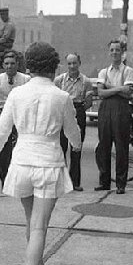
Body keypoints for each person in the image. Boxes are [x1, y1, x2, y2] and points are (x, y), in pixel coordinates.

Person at [0, 42, 81, 265]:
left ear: (29, 65)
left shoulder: (16, 94)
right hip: (48, 163)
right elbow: (73, 134)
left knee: (30, 220)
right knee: (39, 226)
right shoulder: (61, 97)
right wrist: (77, 145)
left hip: (22, 161)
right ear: (54, 65)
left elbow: (1, 132)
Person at [94, 39, 133, 194]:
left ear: (122, 52)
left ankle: (120, 184)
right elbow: (100, 93)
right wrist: (120, 88)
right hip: (106, 110)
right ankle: (104, 182)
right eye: (112, 50)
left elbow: (128, 93)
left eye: (117, 50)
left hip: (122, 109)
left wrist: (110, 87)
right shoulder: (103, 72)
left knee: (121, 146)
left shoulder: (128, 71)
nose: (114, 53)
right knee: (104, 146)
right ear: (108, 52)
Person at [0, 51, 31, 184]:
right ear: (3, 65)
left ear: (17, 64)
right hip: (3, 115)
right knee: (4, 149)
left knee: (21, 147)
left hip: (20, 116)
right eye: (6, 64)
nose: (9, 66)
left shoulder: (26, 79)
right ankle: (5, 181)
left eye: (12, 63)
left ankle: (20, 180)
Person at [53, 53, 93, 191]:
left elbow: (88, 102)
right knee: (61, 148)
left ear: (79, 63)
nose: (72, 66)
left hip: (78, 111)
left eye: (74, 63)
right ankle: (62, 182)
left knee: (76, 148)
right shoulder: (59, 80)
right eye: (69, 63)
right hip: (62, 113)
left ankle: (75, 182)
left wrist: (78, 111)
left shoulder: (86, 81)